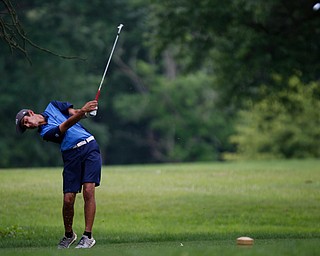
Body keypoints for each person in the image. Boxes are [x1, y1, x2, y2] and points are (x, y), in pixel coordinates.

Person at [15, 100, 102, 249]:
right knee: (68, 199)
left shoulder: (53, 106)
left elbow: (74, 113)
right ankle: (69, 235)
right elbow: (65, 125)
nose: (28, 126)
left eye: (26, 122)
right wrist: (83, 112)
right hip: (71, 156)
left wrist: (87, 112)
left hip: (89, 147)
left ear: (30, 112)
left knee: (88, 190)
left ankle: (87, 236)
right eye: (26, 127)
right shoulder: (45, 133)